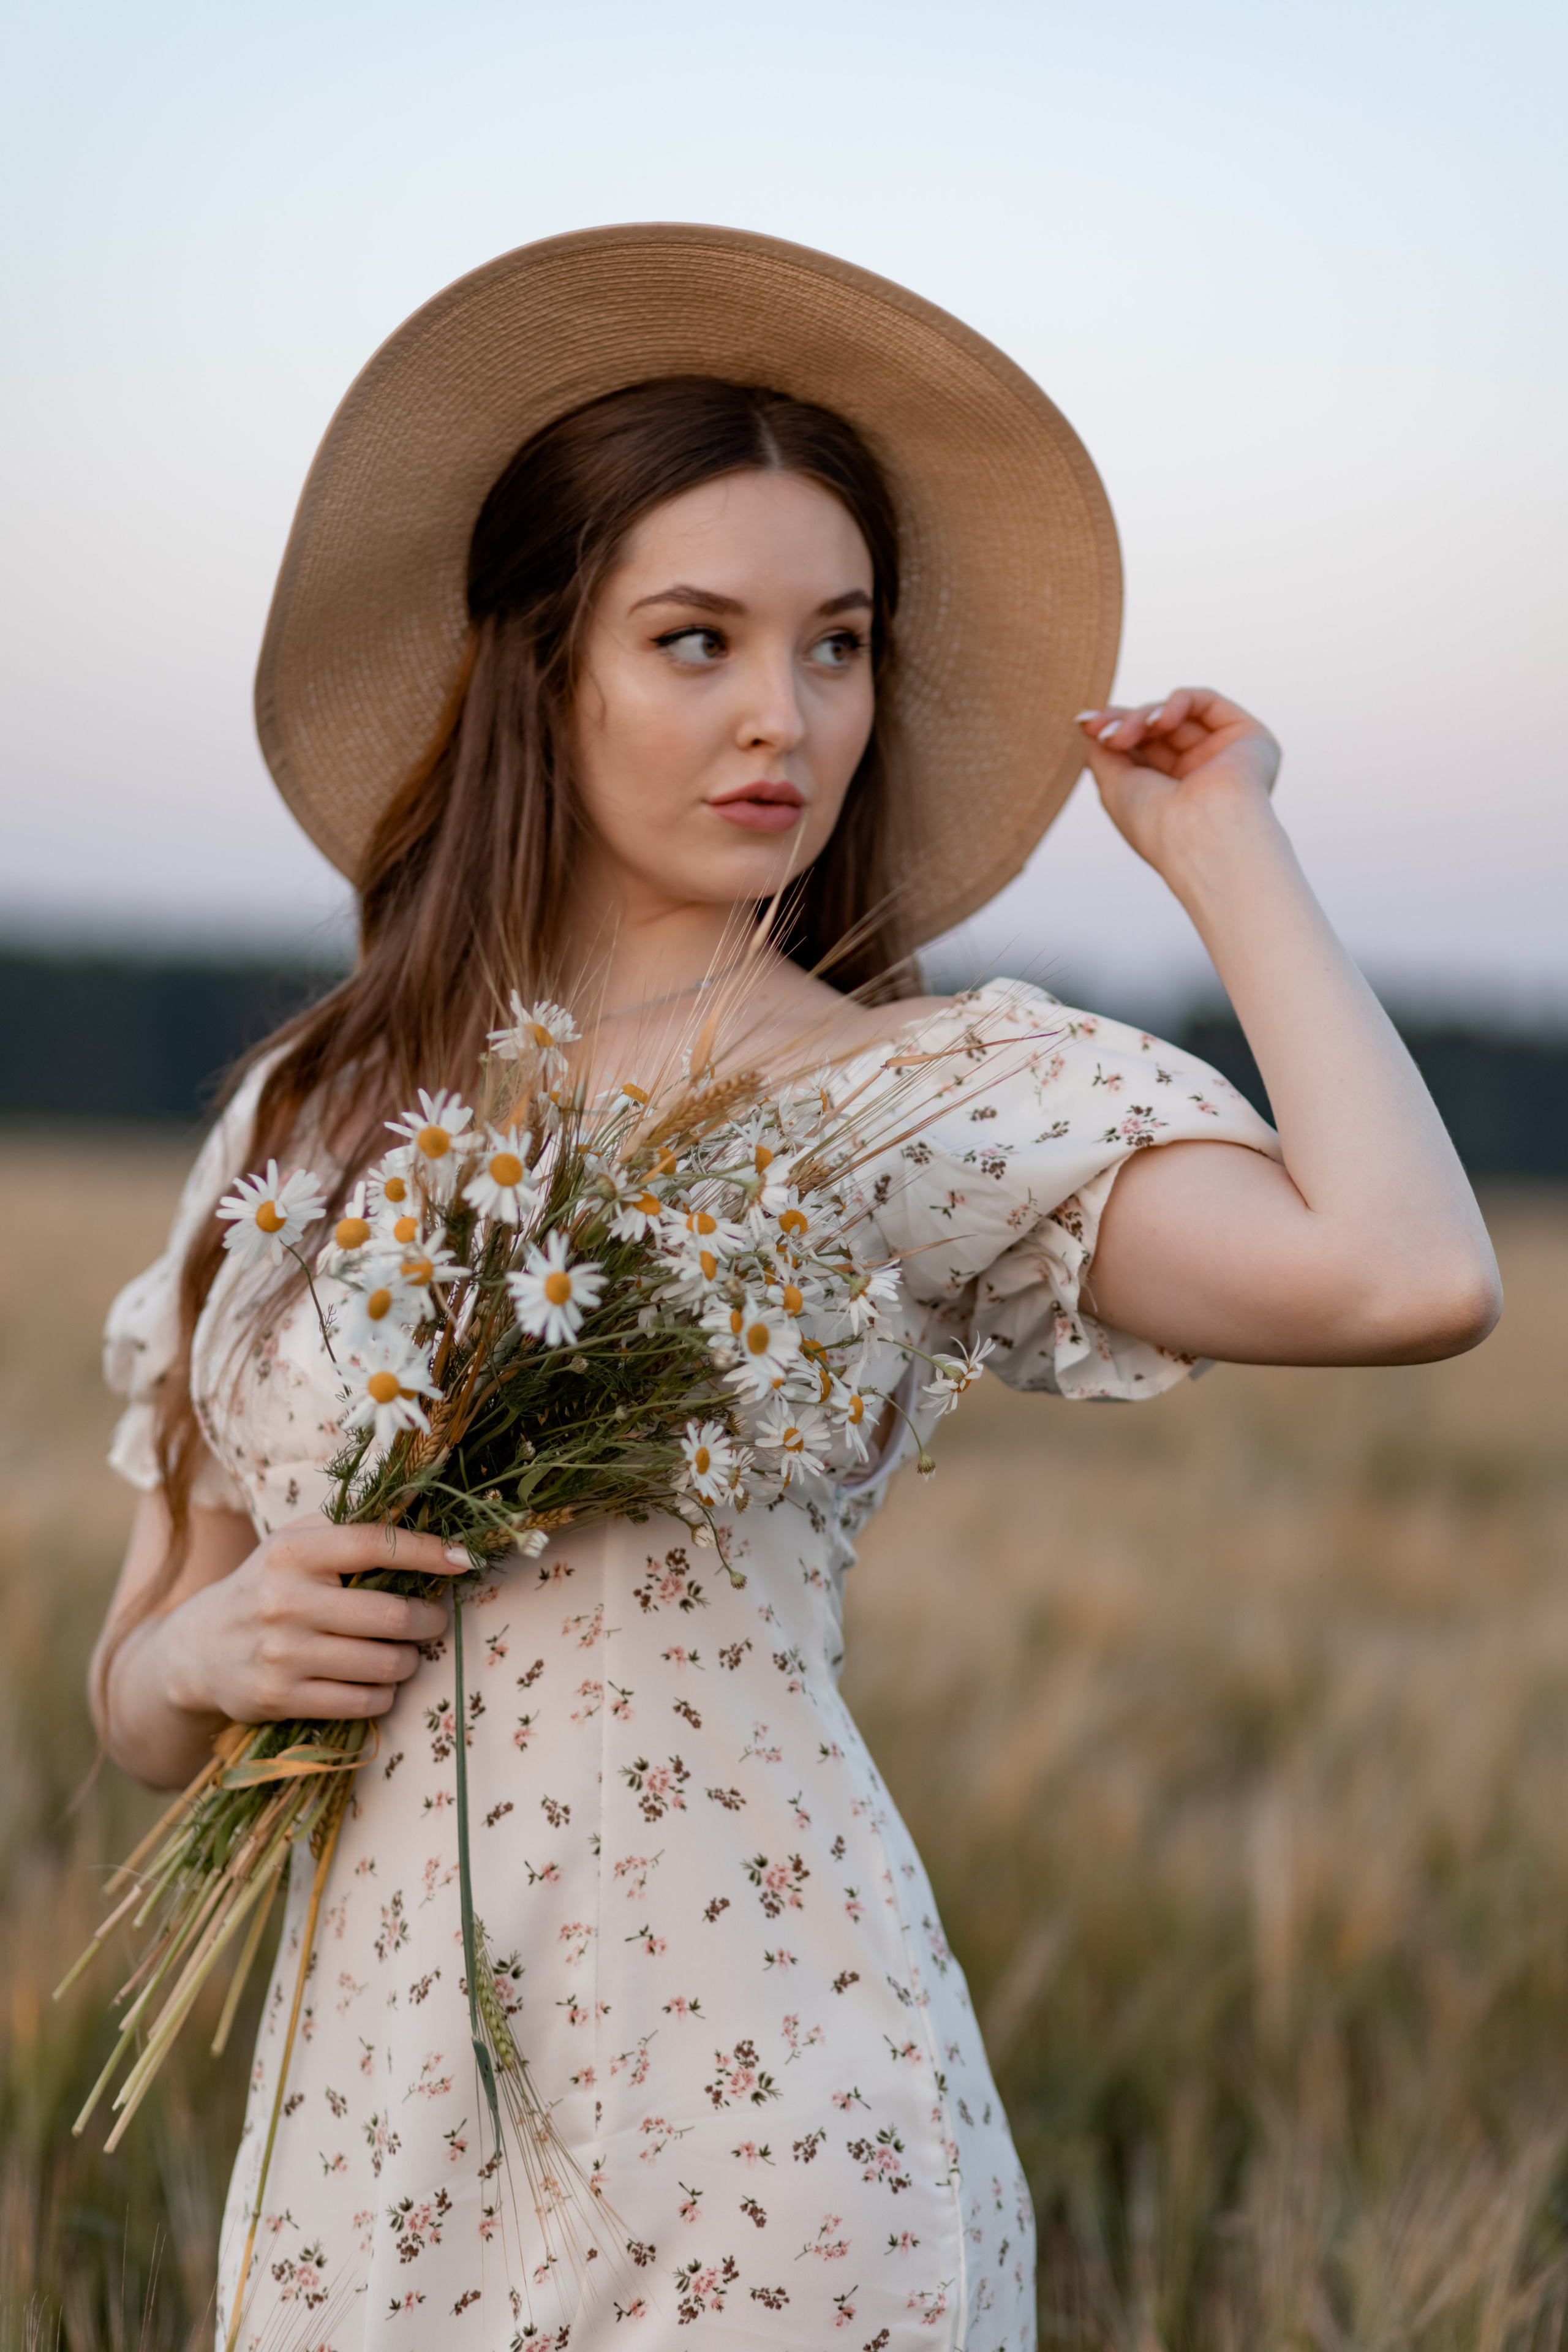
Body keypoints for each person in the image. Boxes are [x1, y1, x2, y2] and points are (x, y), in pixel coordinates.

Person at [89, 227, 1499, 2352]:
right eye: (698, 641)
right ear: (538, 667)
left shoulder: (895, 1102)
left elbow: (1405, 1275)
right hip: (372, 2142)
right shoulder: (316, 1108)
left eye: (839, 646)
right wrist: (205, 1654)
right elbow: (136, 1697)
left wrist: (1225, 845)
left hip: (766, 2130)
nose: (788, 716)